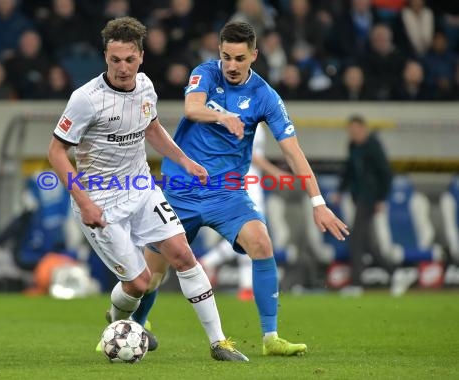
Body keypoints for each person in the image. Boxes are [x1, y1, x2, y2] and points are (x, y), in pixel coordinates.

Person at [133, 21, 349, 357]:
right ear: (219, 52)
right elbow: (191, 108)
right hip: (181, 188)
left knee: (262, 243)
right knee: (152, 275)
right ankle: (136, 325)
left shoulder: (265, 96)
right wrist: (223, 116)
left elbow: (293, 151)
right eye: (226, 56)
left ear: (254, 55)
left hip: (228, 193)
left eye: (239, 58)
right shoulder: (205, 73)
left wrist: (318, 202)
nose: (231, 65)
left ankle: (271, 338)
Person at [47, 16, 248, 362]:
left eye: (129, 59)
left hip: (141, 188)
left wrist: (186, 162)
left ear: (141, 56)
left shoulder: (145, 86)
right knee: (139, 284)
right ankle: (116, 321)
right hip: (100, 201)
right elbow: (55, 152)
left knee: (183, 254)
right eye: (114, 60)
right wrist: (84, 203)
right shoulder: (86, 99)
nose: (122, 68)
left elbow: (152, 128)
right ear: (105, 57)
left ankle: (219, 343)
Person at [199, 126, 292, 301]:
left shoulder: (250, 120)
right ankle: (209, 262)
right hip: (245, 182)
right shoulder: (245, 120)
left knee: (248, 235)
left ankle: (245, 286)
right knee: (253, 234)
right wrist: (276, 173)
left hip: (243, 180)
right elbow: (251, 155)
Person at [337, 115, 392, 294]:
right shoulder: (353, 146)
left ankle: (356, 284)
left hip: (370, 198)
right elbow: (349, 170)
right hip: (358, 197)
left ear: (363, 129)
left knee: (357, 240)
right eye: (350, 131)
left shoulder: (373, 147)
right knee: (367, 242)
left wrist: (381, 198)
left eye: (356, 130)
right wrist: (341, 190)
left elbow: (385, 173)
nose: (353, 134)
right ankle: (395, 271)